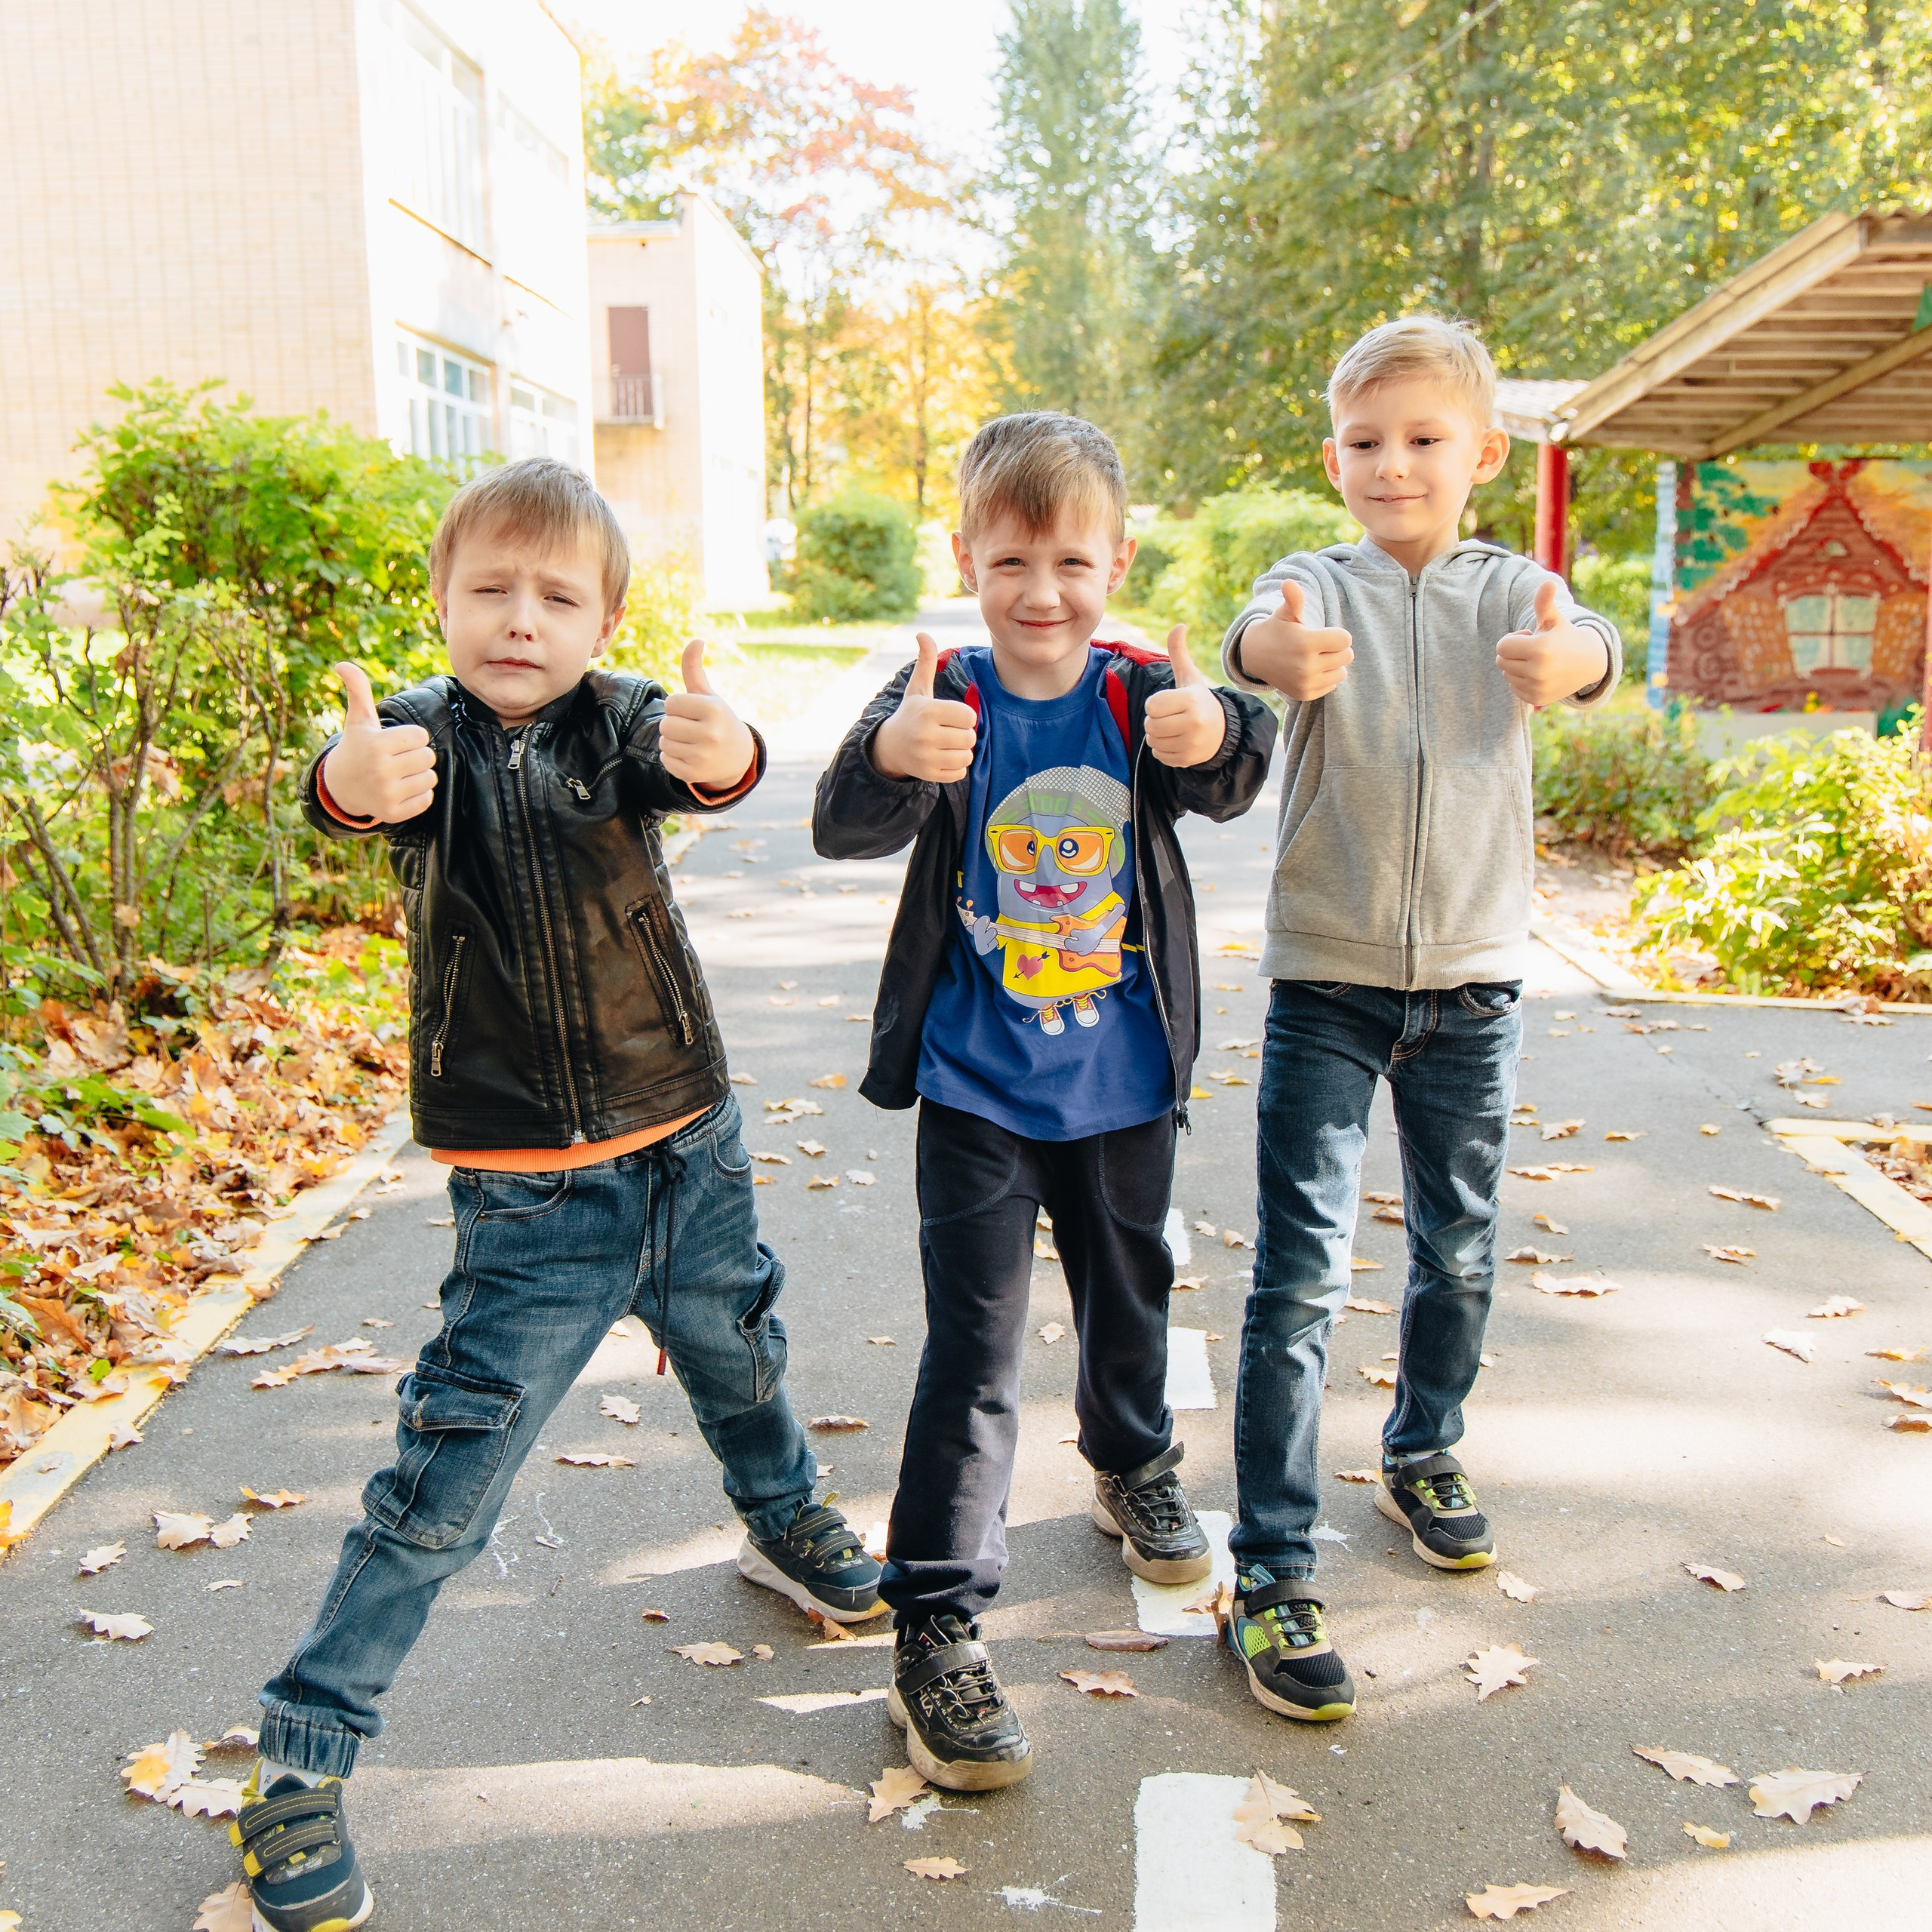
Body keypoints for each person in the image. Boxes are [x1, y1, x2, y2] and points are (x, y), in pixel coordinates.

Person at [231, 458, 881, 1932]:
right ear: (444, 601)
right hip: (531, 1201)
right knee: (443, 1481)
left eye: (557, 595)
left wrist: (727, 748)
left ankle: (783, 1520)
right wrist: (348, 781)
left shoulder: (623, 719)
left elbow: (703, 759)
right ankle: (299, 1756)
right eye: (489, 588)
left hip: (687, 1147)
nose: (520, 618)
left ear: (604, 619)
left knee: (742, 1354)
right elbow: (347, 796)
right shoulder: (413, 738)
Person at [814, 413, 1277, 1790]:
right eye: (1009, 558)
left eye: (1072, 559)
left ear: (1118, 560)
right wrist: (896, 758)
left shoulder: (1140, 695)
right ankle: (938, 1620)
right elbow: (846, 818)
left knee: (1130, 1294)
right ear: (966, 556)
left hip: (1126, 1084)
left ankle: (1132, 1462)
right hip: (976, 1090)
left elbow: (1232, 775)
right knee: (975, 1351)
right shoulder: (939, 688)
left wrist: (1219, 729)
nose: (1041, 591)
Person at [1216, 317, 1623, 1724]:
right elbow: (1252, 634)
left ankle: (1424, 1449)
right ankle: (1267, 1567)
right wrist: (1280, 654)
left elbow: (1588, 641)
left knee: (1457, 1246)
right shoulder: (1312, 582)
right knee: (1301, 1275)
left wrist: (1578, 668)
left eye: (1424, 439)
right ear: (1336, 459)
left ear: (1483, 452)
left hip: (1473, 984)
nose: (1394, 466)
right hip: (1326, 980)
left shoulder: (1520, 588)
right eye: (1368, 444)